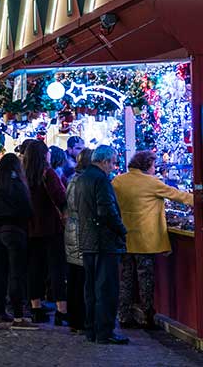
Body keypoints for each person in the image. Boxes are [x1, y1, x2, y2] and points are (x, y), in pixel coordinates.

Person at [112, 150, 194, 329]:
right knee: (145, 279)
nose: (154, 168)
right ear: (147, 165)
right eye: (153, 165)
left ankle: (124, 315)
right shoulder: (152, 183)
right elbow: (179, 196)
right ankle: (147, 317)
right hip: (145, 239)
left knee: (126, 278)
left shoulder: (118, 181)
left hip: (124, 237)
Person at [75, 145, 129, 345]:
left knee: (91, 289)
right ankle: (104, 331)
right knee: (105, 289)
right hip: (103, 242)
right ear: (105, 161)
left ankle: (92, 329)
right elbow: (106, 210)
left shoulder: (82, 178)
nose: (113, 167)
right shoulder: (101, 180)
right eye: (113, 163)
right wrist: (121, 230)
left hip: (88, 241)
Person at [0, 153, 36, 330]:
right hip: (12, 229)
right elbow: (27, 208)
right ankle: (18, 317)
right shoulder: (16, 184)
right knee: (15, 273)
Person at [22, 140, 68, 324]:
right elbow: (60, 197)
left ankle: (36, 308)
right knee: (56, 269)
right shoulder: (47, 173)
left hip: (29, 228)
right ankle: (61, 311)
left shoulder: (22, 175)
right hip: (51, 228)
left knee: (34, 269)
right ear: (43, 155)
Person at [65, 148, 93, 333]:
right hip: (81, 231)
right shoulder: (84, 181)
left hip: (72, 230)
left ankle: (74, 319)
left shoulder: (72, 179)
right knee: (81, 278)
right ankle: (80, 319)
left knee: (75, 277)